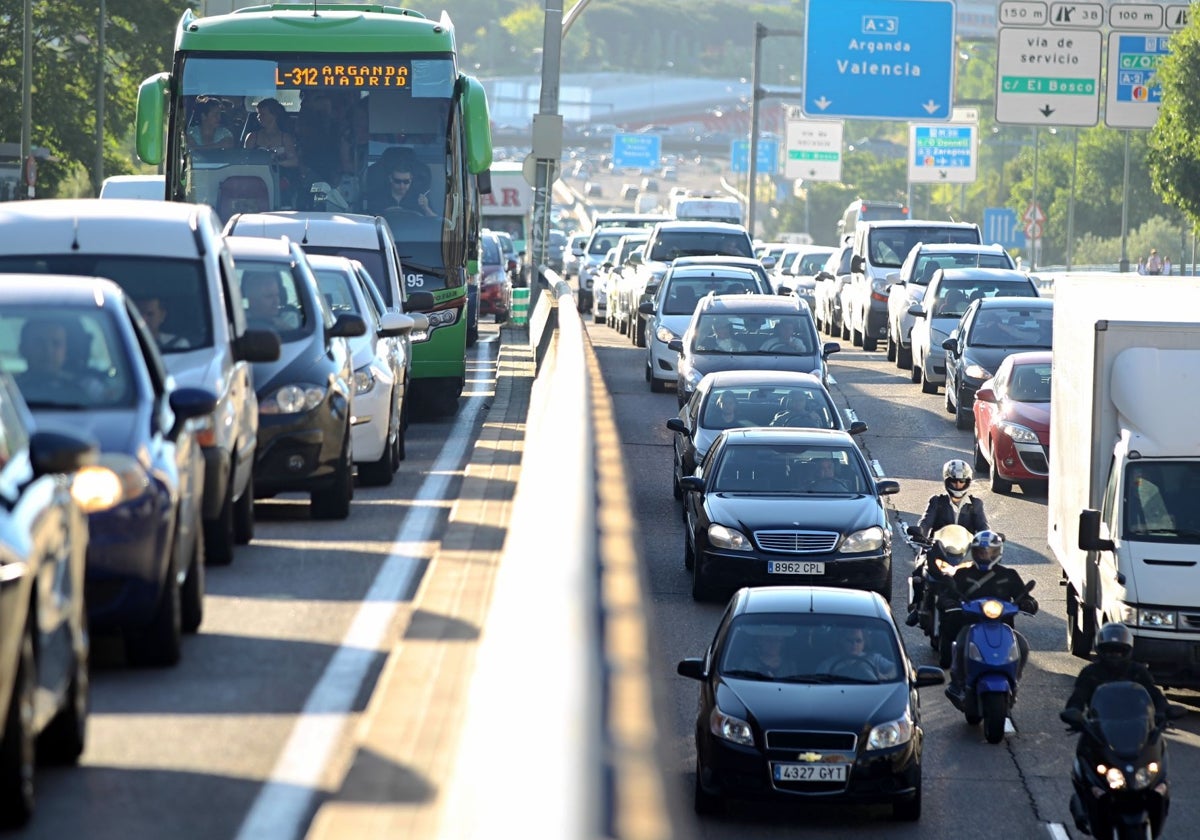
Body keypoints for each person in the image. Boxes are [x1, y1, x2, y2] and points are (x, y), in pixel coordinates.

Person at [943, 531, 1037, 699]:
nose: (985, 555)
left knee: (1022, 645)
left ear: (998, 552)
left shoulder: (1009, 575)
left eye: (989, 552)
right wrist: (949, 602)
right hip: (971, 625)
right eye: (980, 551)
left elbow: (1025, 596)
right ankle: (957, 683)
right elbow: (947, 595)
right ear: (973, 552)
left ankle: (1015, 678)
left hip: (1003, 626)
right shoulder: (963, 574)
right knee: (961, 644)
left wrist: (1028, 603)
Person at [906, 459, 990, 626]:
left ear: (968, 482)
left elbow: (983, 528)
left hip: (965, 551)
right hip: (938, 549)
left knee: (986, 574)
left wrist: (988, 540)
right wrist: (920, 533)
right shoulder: (937, 501)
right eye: (954, 481)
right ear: (946, 481)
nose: (958, 485)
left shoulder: (975, 504)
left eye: (962, 481)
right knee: (919, 572)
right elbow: (926, 522)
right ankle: (917, 607)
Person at [1061, 623, 1169, 724]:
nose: (1114, 655)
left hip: (1136, 728)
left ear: (1127, 651)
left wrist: (1163, 711)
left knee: (1155, 740)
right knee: (1085, 742)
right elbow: (1078, 697)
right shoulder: (1090, 673)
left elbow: (1155, 695)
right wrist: (1074, 711)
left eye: (1119, 652)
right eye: (1109, 651)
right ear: (1100, 650)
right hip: (1098, 730)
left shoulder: (1137, 672)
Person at [14, 318, 109, 404]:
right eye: (39, 343)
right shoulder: (8, 392)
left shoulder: (90, 389)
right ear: (23, 349)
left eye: (56, 344)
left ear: (66, 350)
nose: (48, 351)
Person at [817, 626, 897, 679]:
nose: (854, 645)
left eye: (858, 641)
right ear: (841, 641)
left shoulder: (875, 658)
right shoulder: (828, 664)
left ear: (864, 643)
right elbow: (818, 682)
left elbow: (895, 668)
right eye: (849, 641)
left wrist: (885, 677)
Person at [368, 157, 437, 218]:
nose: (402, 186)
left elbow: (434, 223)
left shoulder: (420, 198)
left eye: (406, 181)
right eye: (397, 181)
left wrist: (426, 208)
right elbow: (368, 221)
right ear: (390, 179)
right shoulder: (378, 197)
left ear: (411, 179)